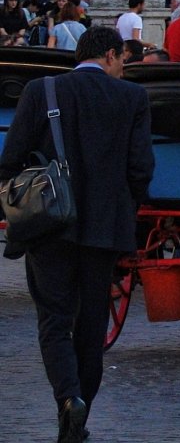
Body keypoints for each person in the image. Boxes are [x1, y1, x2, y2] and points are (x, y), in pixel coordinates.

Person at [0, 26, 155, 443]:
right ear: (108, 56)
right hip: (104, 228)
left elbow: (11, 158)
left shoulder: (41, 91)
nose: (124, 67)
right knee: (91, 326)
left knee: (53, 320)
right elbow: (141, 168)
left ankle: (69, 399)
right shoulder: (132, 98)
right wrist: (126, 208)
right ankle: (79, 413)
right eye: (122, 58)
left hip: (50, 226)